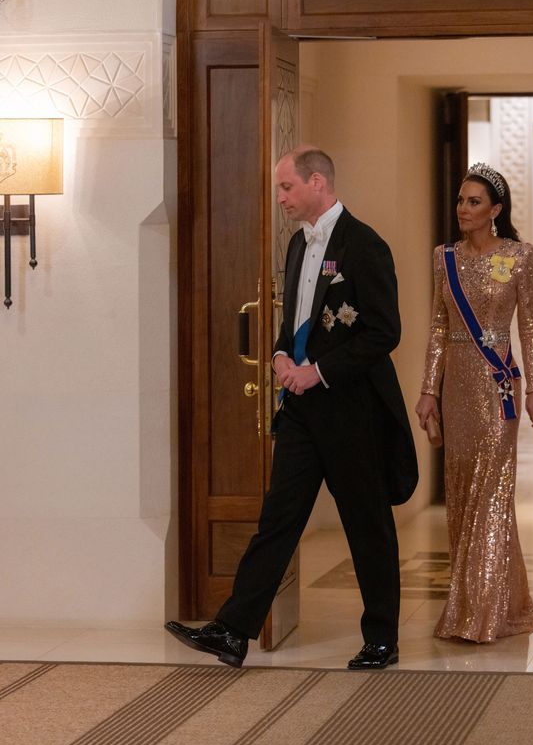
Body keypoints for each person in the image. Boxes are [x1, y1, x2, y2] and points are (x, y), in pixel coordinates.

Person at [167, 146, 418, 669]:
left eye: (286, 187)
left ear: (318, 183)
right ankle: (234, 630)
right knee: (278, 519)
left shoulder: (365, 245)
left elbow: (384, 333)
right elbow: (293, 319)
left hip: (352, 411)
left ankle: (381, 640)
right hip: (302, 411)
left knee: (365, 523)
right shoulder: (297, 246)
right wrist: (281, 355)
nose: (279, 197)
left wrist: (319, 371)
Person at [415, 162, 533, 644]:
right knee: (461, 494)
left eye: (474, 202)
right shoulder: (443, 258)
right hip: (455, 389)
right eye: (460, 200)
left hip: (498, 388)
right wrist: (429, 389)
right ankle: (500, 602)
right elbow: (435, 326)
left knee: (492, 496)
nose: (463, 210)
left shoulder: (518, 256)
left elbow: (529, 326)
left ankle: (477, 616)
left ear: (495, 210)